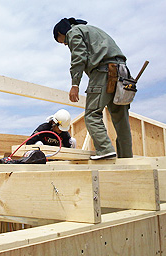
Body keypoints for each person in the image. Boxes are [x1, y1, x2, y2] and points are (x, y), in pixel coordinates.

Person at [53, 17, 133, 160]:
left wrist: (75, 84)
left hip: (103, 72)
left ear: (61, 31)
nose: (65, 44)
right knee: (121, 119)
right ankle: (126, 158)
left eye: (63, 41)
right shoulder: (92, 31)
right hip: (122, 73)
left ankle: (105, 150)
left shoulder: (74, 32)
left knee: (92, 115)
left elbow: (79, 56)